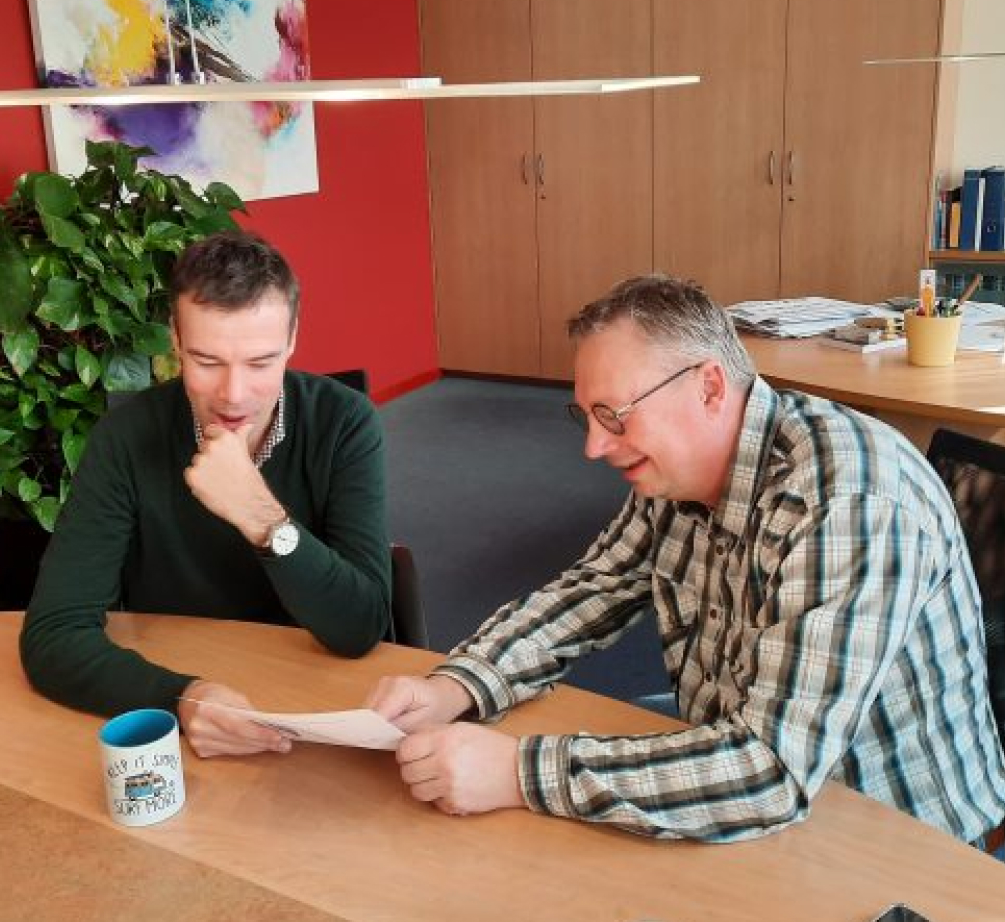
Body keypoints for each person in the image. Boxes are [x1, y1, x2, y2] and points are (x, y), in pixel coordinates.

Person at [369, 274, 1005, 844]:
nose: (594, 447)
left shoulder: (848, 503)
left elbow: (770, 772)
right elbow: (591, 589)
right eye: (586, 417)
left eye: (614, 415)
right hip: (749, 767)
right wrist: (457, 684)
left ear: (708, 387)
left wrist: (519, 773)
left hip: (899, 836)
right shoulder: (678, 475)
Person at [22, 230, 390, 757]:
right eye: (207, 361)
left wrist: (261, 517)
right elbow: (53, 635)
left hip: (317, 699)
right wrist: (183, 699)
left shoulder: (345, 422)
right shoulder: (126, 438)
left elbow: (360, 627)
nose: (233, 395)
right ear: (175, 339)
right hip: (185, 685)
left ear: (292, 338)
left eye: (260, 363)